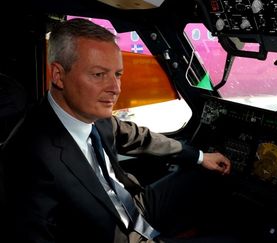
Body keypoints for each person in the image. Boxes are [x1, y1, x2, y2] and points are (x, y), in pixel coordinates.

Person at [1, 18, 236, 243]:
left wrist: (200, 157)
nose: (115, 88)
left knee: (207, 173)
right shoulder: (27, 156)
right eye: (98, 74)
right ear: (58, 75)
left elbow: (138, 137)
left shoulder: (93, 114)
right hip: (113, 236)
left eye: (117, 74)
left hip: (133, 207)